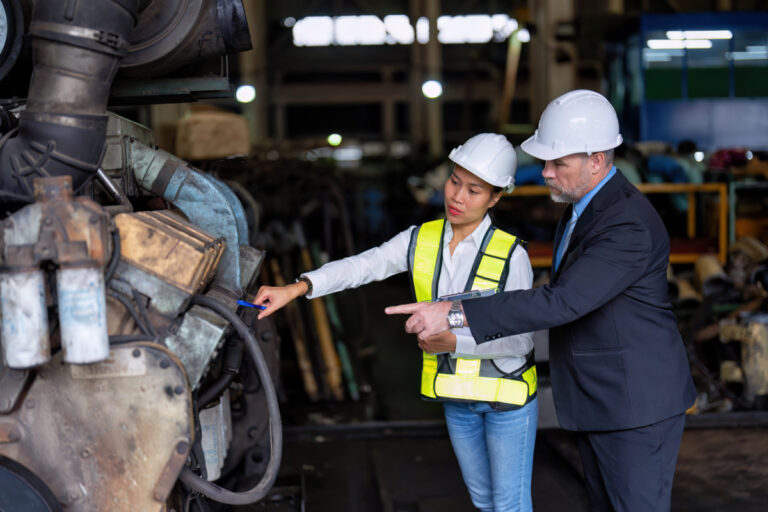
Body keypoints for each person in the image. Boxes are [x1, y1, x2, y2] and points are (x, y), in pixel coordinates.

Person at [387, 90, 697, 512]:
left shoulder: (626, 224)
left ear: (596, 160)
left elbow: (562, 301)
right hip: (606, 400)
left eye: (557, 163)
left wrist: (454, 312)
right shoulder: (584, 208)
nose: (546, 173)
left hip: (635, 407)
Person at [253, 133, 539, 511]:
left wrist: (454, 343)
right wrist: (297, 287)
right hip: (457, 398)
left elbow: (521, 342)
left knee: (510, 506)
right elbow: (364, 265)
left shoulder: (511, 255)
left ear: (496, 197)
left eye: (474, 190)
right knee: (484, 501)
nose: (457, 196)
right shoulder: (421, 239)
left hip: (507, 401)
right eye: (454, 181)